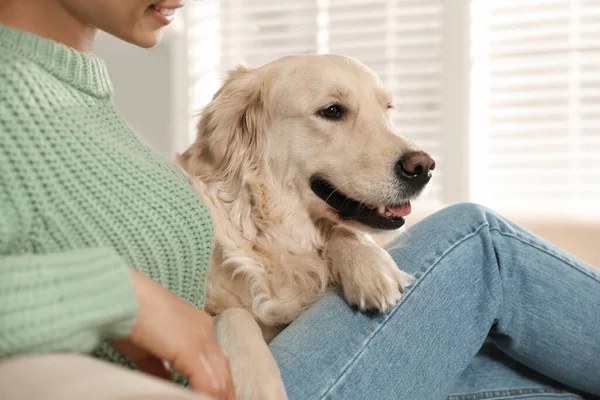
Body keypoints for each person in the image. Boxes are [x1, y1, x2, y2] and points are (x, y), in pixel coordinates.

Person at [0, 1, 598, 400]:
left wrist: (341, 242)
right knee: (478, 243)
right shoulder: (11, 94)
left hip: (261, 362)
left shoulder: (82, 99)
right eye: (333, 113)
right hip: (244, 384)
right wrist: (126, 297)